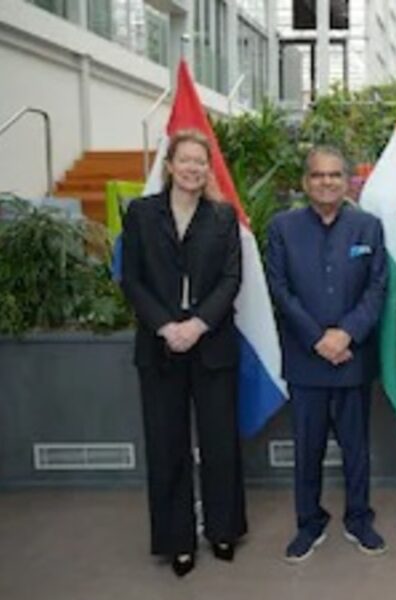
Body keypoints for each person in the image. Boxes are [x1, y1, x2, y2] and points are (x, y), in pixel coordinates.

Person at [120, 129, 246, 577]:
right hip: (160, 347)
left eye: (200, 161)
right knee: (167, 445)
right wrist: (166, 326)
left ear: (208, 169)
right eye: (185, 160)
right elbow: (131, 278)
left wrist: (197, 324)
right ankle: (178, 540)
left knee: (219, 443)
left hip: (212, 343)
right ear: (170, 166)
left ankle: (223, 529)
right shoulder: (141, 213)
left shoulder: (223, 216)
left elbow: (231, 279)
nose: (193, 168)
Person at [265, 146, 388, 563]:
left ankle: (359, 519)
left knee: (357, 449)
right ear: (306, 182)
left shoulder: (368, 227)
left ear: (348, 181)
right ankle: (309, 523)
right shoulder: (282, 228)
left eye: (335, 175)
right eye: (318, 175)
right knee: (308, 449)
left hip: (353, 358)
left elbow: (377, 288)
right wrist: (318, 338)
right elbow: (280, 288)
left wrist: (346, 334)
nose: (327, 182)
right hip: (306, 359)